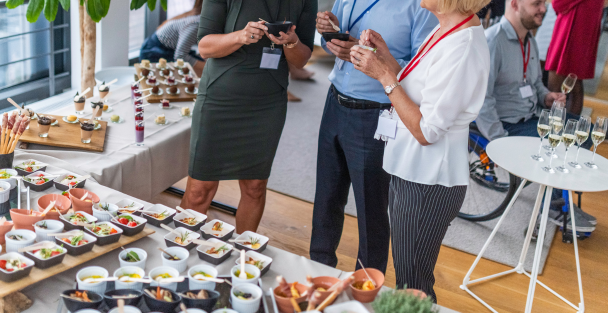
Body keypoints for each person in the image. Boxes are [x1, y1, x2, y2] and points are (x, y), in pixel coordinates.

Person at [351, 0, 490, 301]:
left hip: (428, 179)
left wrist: (383, 76)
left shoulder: (461, 46)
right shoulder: (447, 28)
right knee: (408, 277)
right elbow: (423, 91)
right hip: (413, 170)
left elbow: (427, 131)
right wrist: (386, 59)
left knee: (413, 285)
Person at [309, 1, 437, 274]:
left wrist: (371, 56)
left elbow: (422, 71)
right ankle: (319, 273)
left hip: (376, 115)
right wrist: (328, 32)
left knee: (372, 212)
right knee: (326, 198)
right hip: (334, 102)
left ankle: (366, 287)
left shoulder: (421, 7)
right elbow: (335, 42)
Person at [181, 0, 317, 234]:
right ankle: (180, 255)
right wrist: (240, 36)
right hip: (220, 99)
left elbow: (301, 59)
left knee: (255, 187)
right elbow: (204, 47)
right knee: (199, 190)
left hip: (268, 104)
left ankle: (244, 260)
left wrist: (291, 42)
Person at [476, 0, 596, 231]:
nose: (544, 8)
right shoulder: (492, 41)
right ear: (514, 4)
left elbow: (534, 84)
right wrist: (499, 142)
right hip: (509, 125)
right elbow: (483, 99)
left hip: (533, 115)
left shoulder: (530, 40)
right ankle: (553, 206)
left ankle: (557, 192)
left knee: (585, 133)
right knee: (560, 144)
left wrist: (547, 97)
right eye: (537, 4)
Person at [545, 0, 603, 116]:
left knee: (560, 78)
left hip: (576, 21)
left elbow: (558, 4)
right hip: (583, 17)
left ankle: (553, 124)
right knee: (574, 80)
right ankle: (567, 126)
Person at [139, 0, 205, 76]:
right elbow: (180, 56)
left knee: (201, 64)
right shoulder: (195, 25)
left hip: (169, 49)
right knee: (203, 69)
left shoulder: (197, 20)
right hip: (154, 52)